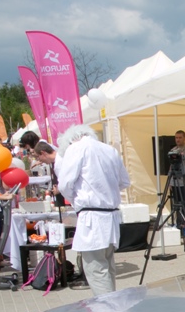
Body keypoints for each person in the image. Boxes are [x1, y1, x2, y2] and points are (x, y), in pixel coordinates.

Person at [55, 125, 131, 296]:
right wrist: (106, 192)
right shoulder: (109, 150)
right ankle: (112, 303)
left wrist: (78, 199)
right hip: (110, 214)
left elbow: (65, 184)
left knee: (96, 268)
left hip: (92, 215)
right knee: (107, 266)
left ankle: (108, 307)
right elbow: (124, 182)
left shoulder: (77, 148)